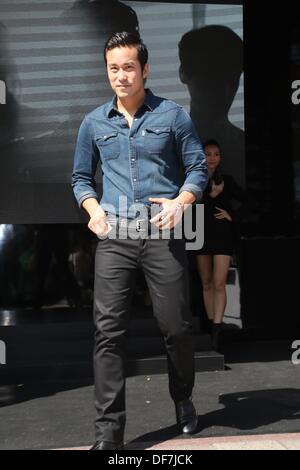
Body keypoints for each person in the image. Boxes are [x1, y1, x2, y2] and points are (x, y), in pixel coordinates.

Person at [72, 31, 208, 450]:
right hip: (115, 234)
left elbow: (198, 169)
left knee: (176, 328)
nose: (121, 76)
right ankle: (108, 435)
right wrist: (93, 211)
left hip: (163, 233)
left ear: (145, 69)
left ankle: (182, 397)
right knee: (107, 332)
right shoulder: (93, 122)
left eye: (128, 67)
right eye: (113, 68)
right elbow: (80, 179)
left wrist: (181, 202)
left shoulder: (173, 116)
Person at [193, 140, 246, 351]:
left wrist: (231, 215)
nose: (212, 158)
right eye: (208, 154)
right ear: (201, 156)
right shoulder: (194, 181)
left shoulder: (227, 180)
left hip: (222, 235)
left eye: (216, 154)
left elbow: (247, 200)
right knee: (205, 282)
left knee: (219, 283)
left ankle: (217, 329)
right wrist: (211, 195)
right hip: (200, 234)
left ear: (220, 157)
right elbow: (189, 207)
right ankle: (209, 327)